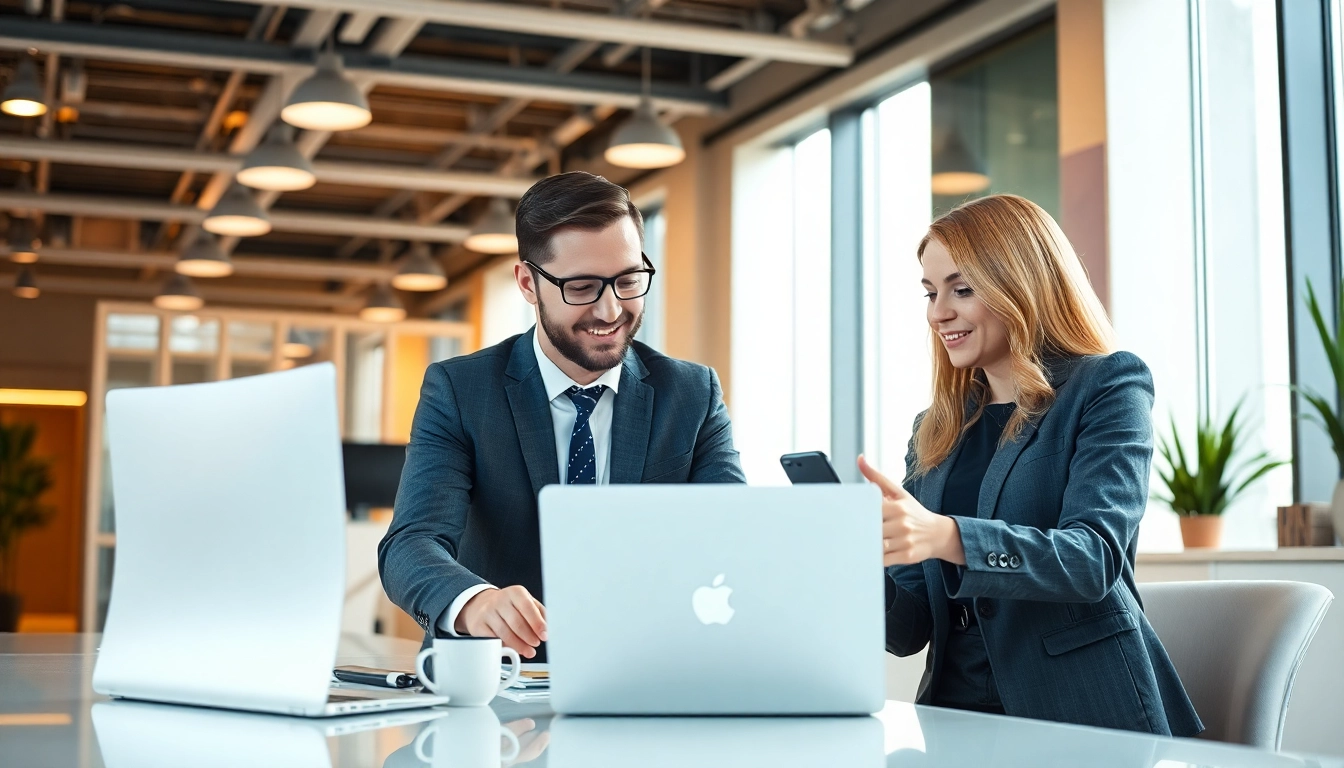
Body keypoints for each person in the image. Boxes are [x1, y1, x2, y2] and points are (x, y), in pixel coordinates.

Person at [859, 194, 1202, 736]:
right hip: (955, 718)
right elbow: (908, 630)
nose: (937, 312)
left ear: (1020, 285)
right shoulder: (936, 428)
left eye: (961, 289)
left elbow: (1093, 559)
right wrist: (847, 565)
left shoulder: (1106, 385)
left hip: (1084, 717)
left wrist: (948, 537)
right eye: (929, 292)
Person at [379, 172, 745, 662]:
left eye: (629, 280)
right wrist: (476, 603)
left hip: (649, 677)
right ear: (529, 283)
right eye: (583, 287)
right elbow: (411, 543)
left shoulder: (692, 393)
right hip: (499, 686)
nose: (611, 308)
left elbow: (735, 535)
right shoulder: (462, 390)